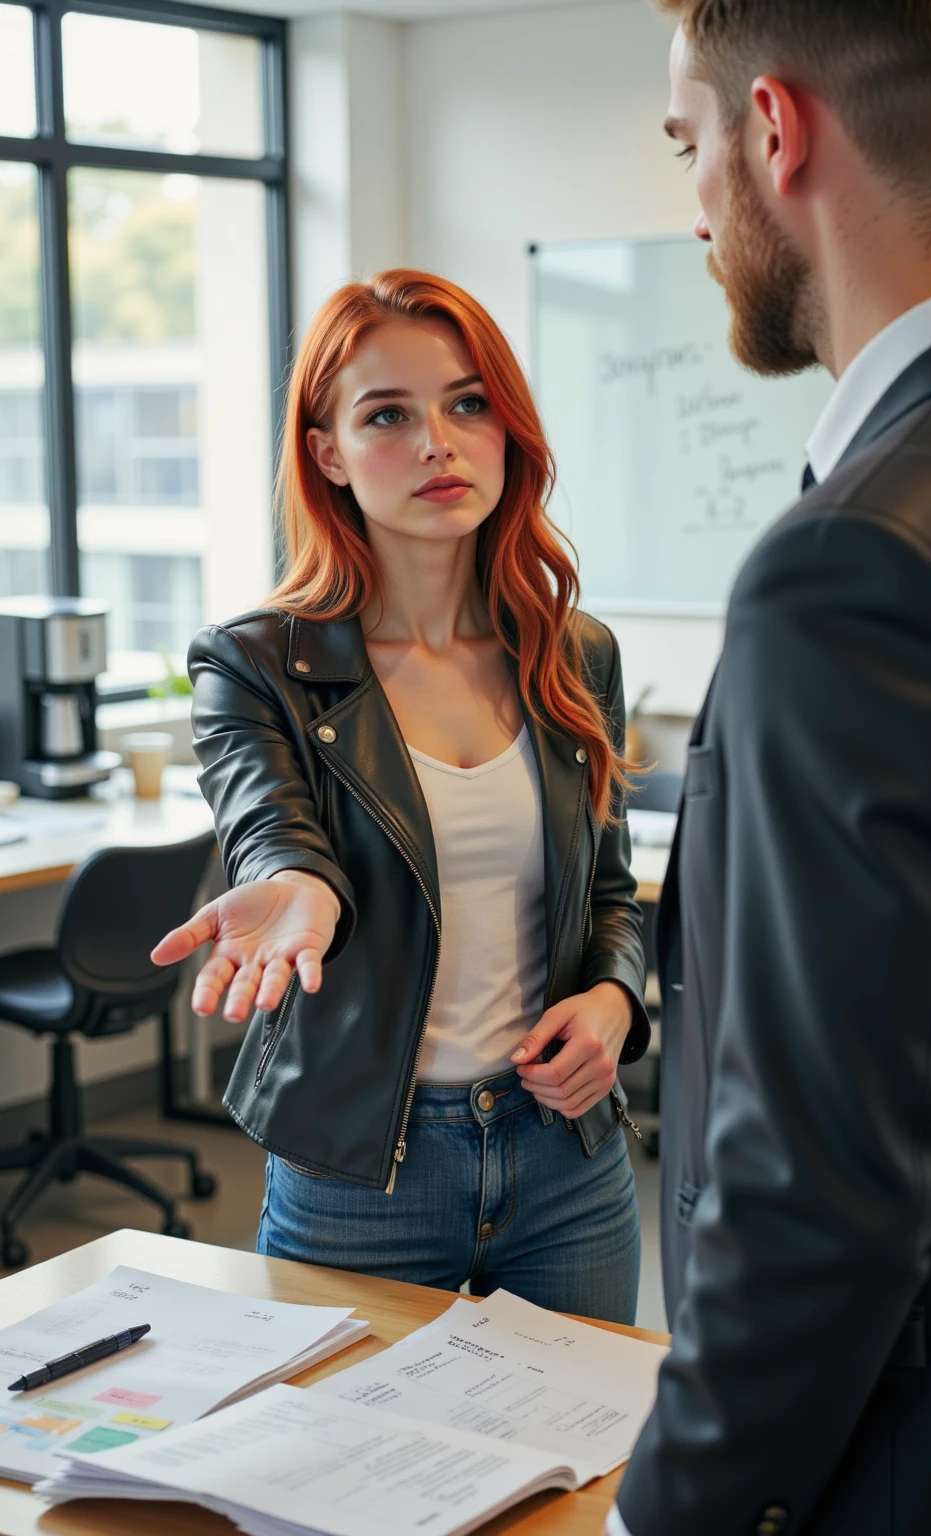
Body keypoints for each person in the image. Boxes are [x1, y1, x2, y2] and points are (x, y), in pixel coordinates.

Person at [611, 1, 931, 1532]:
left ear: (773, 134)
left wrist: (670, 1516)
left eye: (689, 146)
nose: (696, 205)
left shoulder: (862, 560)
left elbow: (819, 1203)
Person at [152, 270, 650, 1324]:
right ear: (327, 452)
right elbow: (268, 827)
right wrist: (300, 886)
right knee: (342, 1477)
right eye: (388, 414)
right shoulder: (256, 665)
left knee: (583, 1475)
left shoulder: (571, 653)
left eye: (468, 403)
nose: (439, 441)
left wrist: (616, 1003)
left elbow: (609, 893)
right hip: (358, 1173)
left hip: (563, 1157)